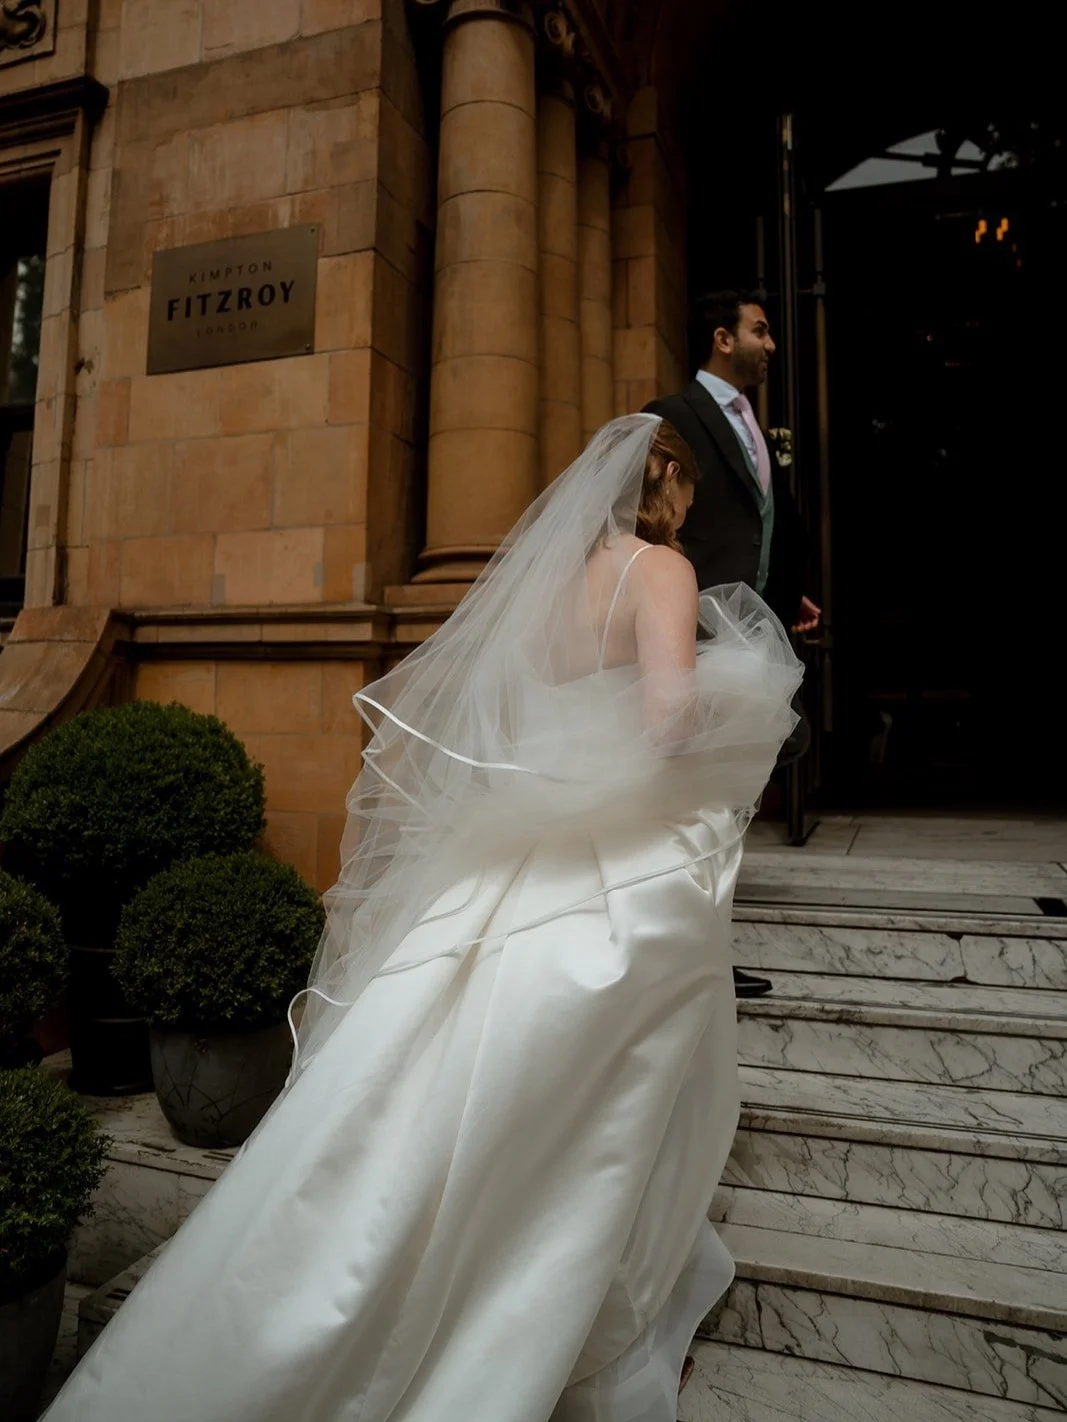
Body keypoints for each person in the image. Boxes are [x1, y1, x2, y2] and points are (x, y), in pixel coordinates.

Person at [43, 415, 800, 1422]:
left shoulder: (538, 597)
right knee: (607, 1098)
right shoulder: (656, 572)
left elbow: (528, 722)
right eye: (689, 500)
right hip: (615, 869)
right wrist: (736, 703)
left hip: (512, 858)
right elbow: (662, 725)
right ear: (667, 494)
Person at [645, 290, 821, 999]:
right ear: (722, 338)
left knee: (731, 796)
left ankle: (703, 942)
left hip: (751, 627)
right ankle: (692, 947)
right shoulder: (671, 416)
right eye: (760, 330)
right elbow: (651, 517)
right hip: (690, 627)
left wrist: (788, 591)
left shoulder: (756, 424)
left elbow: (765, 519)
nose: (771, 344)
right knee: (696, 801)